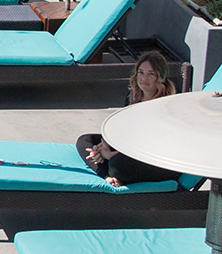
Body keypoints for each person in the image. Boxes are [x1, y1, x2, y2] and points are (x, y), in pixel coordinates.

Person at [75, 53, 178, 186]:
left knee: (117, 164)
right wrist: (105, 144)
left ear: (160, 77)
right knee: (85, 140)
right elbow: (122, 129)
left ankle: (109, 170)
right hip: (128, 149)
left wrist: (110, 155)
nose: (144, 78)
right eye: (141, 72)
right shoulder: (134, 97)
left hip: (155, 159)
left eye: (151, 74)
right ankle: (107, 176)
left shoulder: (166, 104)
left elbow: (151, 145)